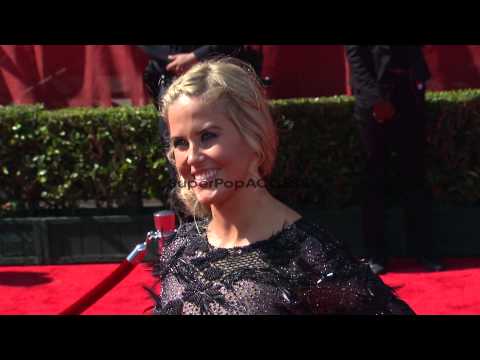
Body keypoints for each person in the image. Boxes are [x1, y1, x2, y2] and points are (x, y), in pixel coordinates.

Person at [145, 58, 415, 315]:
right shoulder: (181, 247)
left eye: (207, 136)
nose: (192, 157)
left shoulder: (307, 257)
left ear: (253, 135)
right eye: (181, 143)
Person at [345, 46, 444, 275]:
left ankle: (425, 250)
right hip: (374, 100)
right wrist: (376, 101)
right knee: (375, 176)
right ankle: (376, 253)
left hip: (409, 95)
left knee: (416, 174)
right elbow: (356, 58)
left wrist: (419, 83)